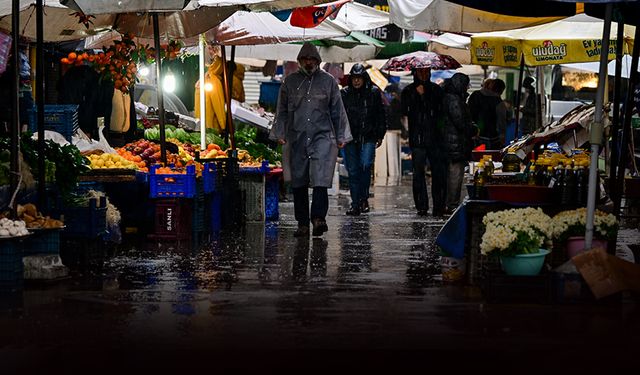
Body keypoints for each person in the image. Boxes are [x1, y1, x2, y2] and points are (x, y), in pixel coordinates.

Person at [269, 42, 351, 237]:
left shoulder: (329, 82)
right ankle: (302, 223)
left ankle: (318, 218)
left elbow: (338, 110)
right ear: (299, 61)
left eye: (311, 59)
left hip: (322, 137)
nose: (308, 62)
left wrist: (341, 136)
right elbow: (281, 111)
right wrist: (279, 133)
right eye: (305, 59)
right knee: (299, 181)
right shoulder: (289, 82)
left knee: (321, 179)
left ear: (317, 61)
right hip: (296, 137)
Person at [340, 63, 386, 215]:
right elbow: (339, 115)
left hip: (368, 135)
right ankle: (355, 203)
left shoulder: (373, 93)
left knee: (365, 165)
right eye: (354, 78)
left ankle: (363, 198)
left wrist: (380, 134)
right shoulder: (345, 94)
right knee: (353, 171)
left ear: (364, 78)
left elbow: (380, 114)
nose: (357, 81)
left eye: (359, 78)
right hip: (350, 137)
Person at [401, 67, 447, 216]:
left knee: (438, 173)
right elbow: (405, 110)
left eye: (426, 71)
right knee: (418, 174)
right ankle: (421, 206)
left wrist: (425, 97)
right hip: (418, 139)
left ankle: (438, 205)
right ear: (415, 73)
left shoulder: (436, 90)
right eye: (420, 72)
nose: (424, 74)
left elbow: (440, 111)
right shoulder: (408, 91)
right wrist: (417, 95)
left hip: (435, 139)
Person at [442, 73, 474, 212]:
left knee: (451, 174)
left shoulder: (449, 97)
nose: (467, 88)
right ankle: (452, 205)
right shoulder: (454, 100)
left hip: (450, 142)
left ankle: (449, 203)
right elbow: (460, 121)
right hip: (454, 143)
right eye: (466, 85)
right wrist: (473, 129)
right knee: (455, 174)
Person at [467, 78, 507, 149]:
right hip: (492, 138)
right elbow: (501, 122)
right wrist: (502, 136)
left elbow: (467, 112)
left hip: (473, 135)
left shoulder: (475, 95)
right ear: (501, 90)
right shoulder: (499, 102)